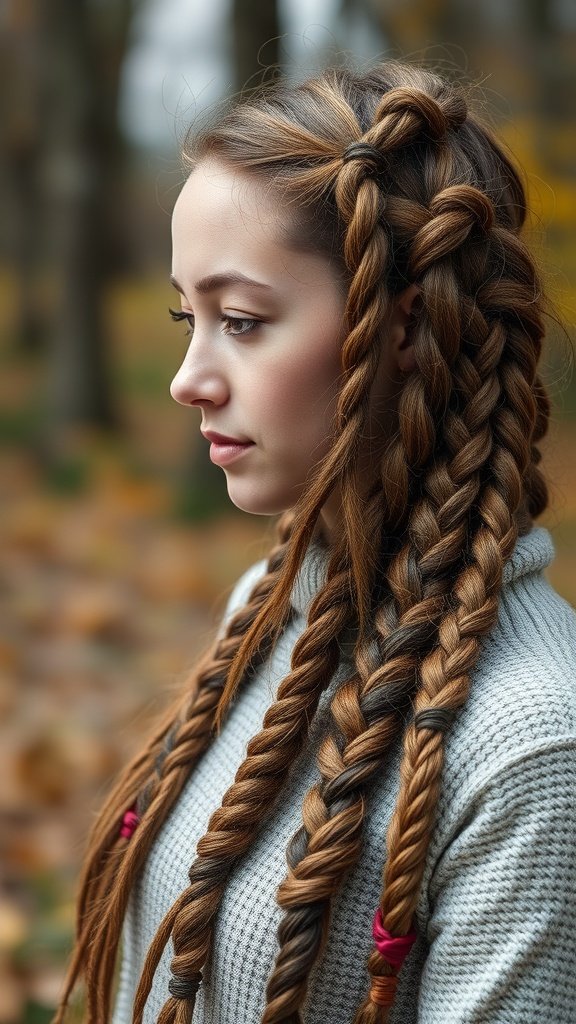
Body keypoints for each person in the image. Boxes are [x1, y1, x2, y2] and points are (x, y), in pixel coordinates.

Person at [53, 61, 576, 1024]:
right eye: (186, 316)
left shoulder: (533, 743)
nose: (187, 379)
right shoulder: (270, 603)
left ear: (407, 325)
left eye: (241, 321)